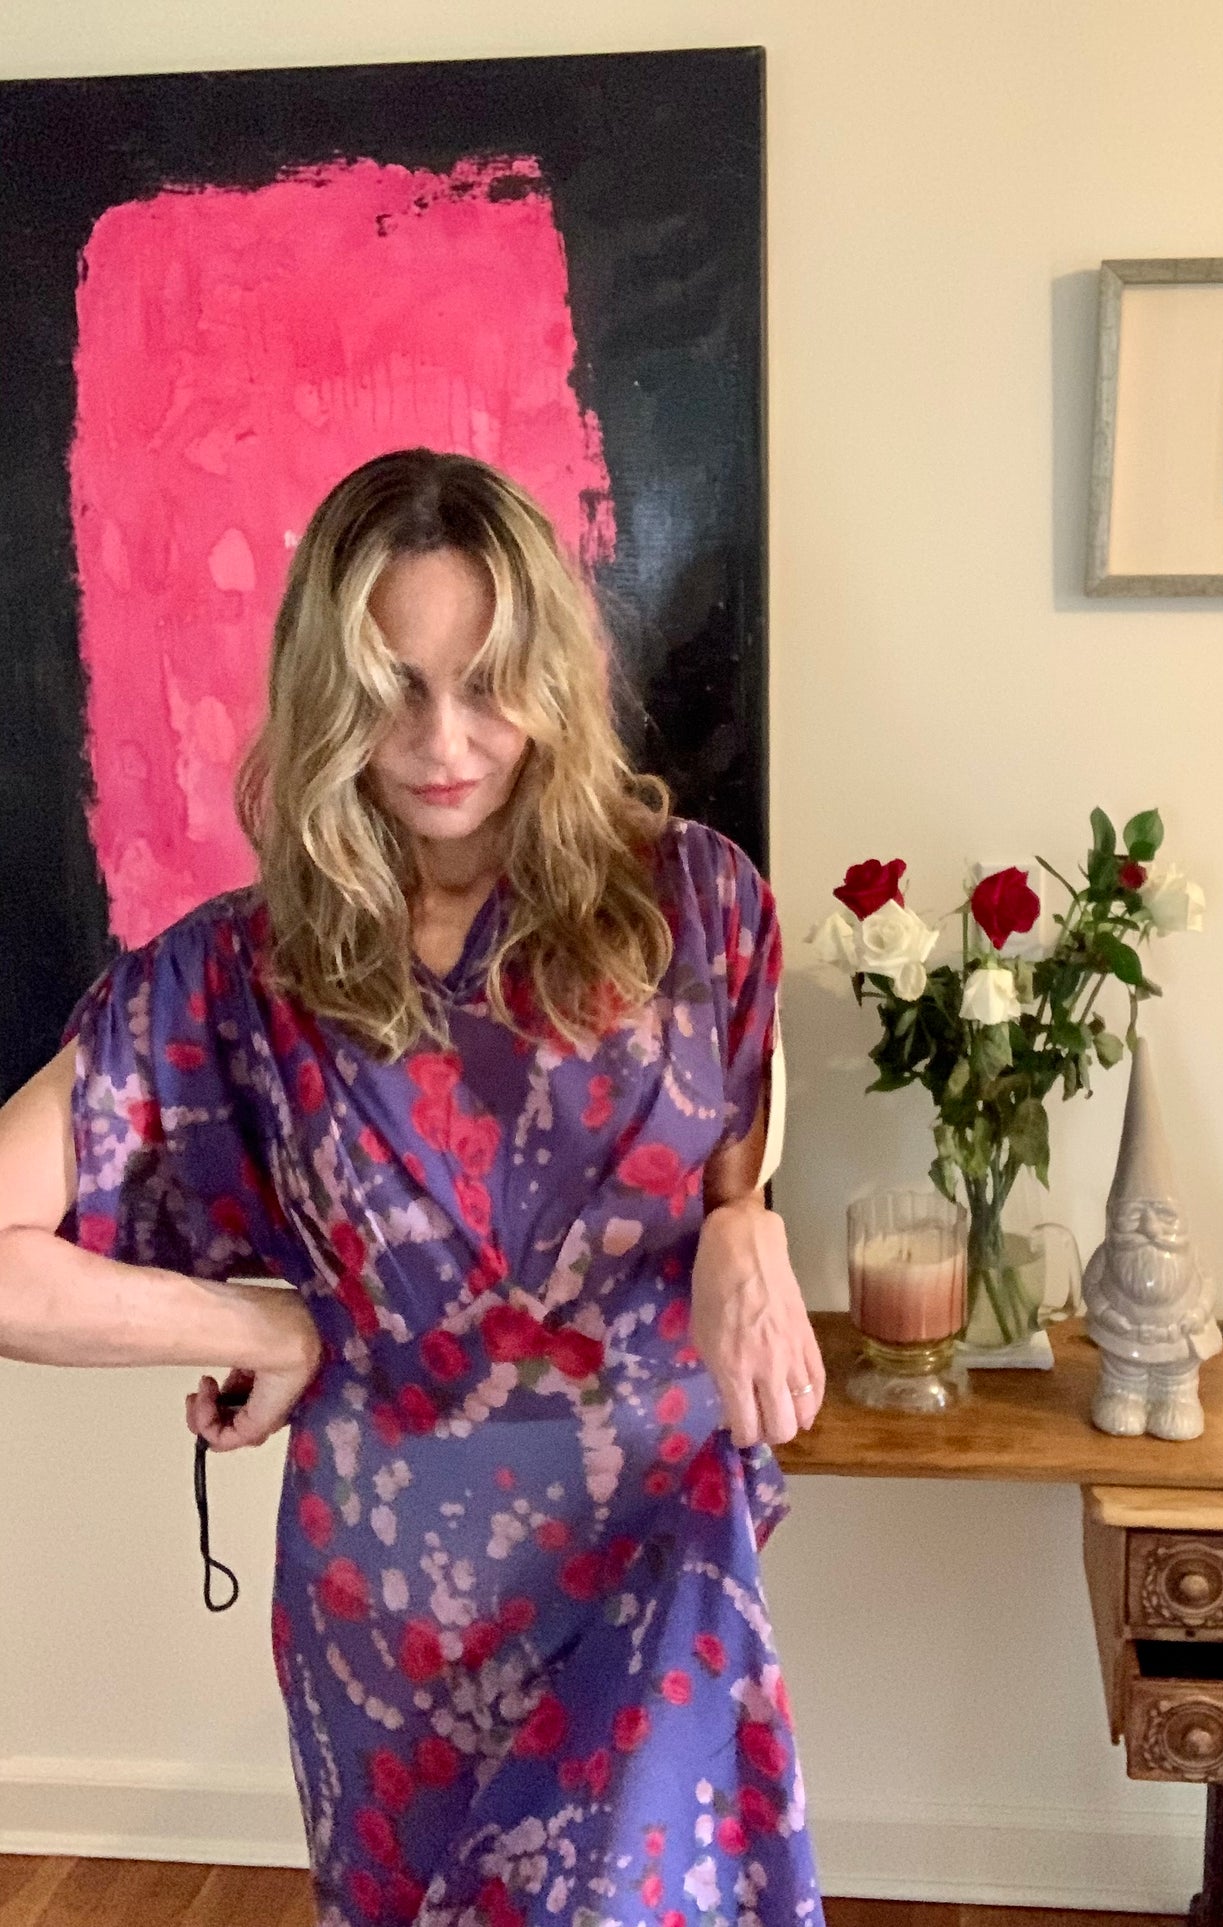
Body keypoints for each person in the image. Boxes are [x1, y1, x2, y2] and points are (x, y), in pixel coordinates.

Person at [0, 448, 828, 1927]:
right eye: (392, 690)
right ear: (327, 697)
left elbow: (743, 1125)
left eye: (487, 683)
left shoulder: (696, 904)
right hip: (390, 1621)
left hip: (651, 1562)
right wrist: (264, 1327)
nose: (445, 741)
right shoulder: (237, 976)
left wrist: (747, 1222)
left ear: (551, 675)